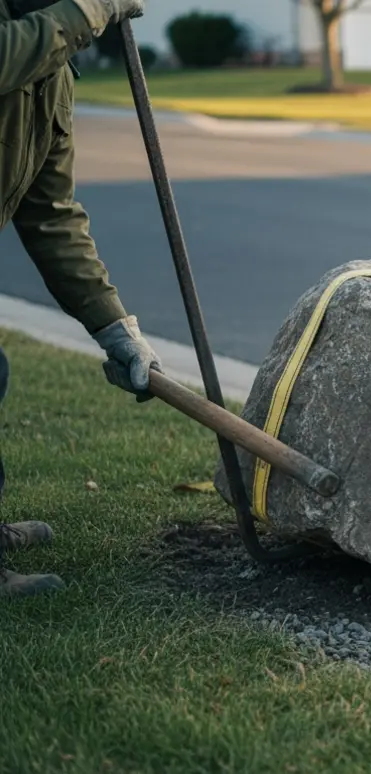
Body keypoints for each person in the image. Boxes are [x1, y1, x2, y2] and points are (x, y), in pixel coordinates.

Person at [1, 0, 159, 599]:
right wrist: (87, 11)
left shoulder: (52, 67)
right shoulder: (41, 36)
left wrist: (115, 326)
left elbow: (51, 215)